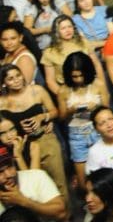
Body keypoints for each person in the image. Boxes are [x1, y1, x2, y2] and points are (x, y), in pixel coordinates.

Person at [0, 65, 68, 203]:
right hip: (20, 147)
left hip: (45, 139)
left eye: (18, 75)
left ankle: (66, 215)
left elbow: (55, 111)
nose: (16, 80)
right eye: (11, 78)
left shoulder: (37, 91)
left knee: (58, 181)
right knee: (30, 186)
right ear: (4, 83)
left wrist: (43, 117)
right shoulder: (2, 102)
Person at [56, 52, 109, 190]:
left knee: (105, 172)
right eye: (74, 76)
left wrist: (96, 107)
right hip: (77, 136)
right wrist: (70, 111)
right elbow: (61, 117)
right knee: (82, 180)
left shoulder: (98, 84)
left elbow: (107, 109)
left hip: (97, 131)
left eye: (81, 75)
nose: (79, 79)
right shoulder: (63, 91)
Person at [0, 147, 68, 221]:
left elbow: (61, 213)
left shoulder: (36, 176)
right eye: (0, 171)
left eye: (10, 166)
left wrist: (24, 202)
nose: (8, 175)